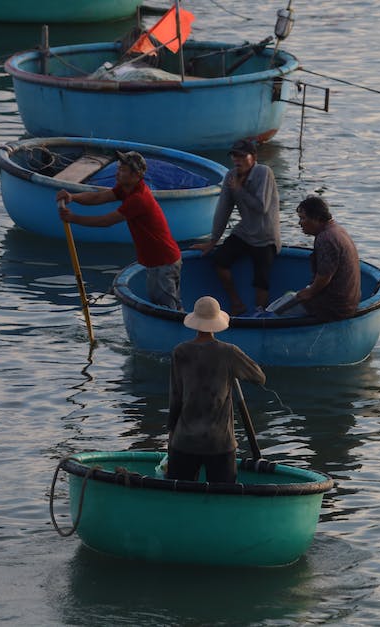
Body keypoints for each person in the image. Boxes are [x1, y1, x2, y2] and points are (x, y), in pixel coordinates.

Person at [56, 151, 183, 310]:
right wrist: (72, 197)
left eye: (122, 170)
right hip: (156, 261)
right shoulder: (126, 189)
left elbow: (106, 221)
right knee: (162, 304)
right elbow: (98, 198)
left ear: (136, 175)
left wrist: (74, 218)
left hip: (163, 261)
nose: (117, 173)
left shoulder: (138, 198)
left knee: (167, 309)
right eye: (118, 169)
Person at [166, 296, 266, 483]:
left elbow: (175, 397)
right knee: (224, 496)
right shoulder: (229, 352)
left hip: (184, 441)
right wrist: (233, 369)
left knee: (180, 496)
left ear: (195, 322)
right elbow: (259, 377)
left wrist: (171, 436)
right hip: (219, 443)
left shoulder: (180, 351)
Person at [192, 139, 280, 315]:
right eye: (234, 156)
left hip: (266, 236)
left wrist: (239, 190)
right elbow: (223, 210)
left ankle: (259, 313)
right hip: (244, 232)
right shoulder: (231, 177)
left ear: (253, 157)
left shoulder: (264, 173)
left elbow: (261, 207)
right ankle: (236, 302)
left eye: (242, 156)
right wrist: (213, 240)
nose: (237, 160)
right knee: (219, 261)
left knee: (261, 280)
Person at [281, 195, 361, 321]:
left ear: (317, 218)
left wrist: (310, 292)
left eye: (303, 218)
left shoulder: (325, 238)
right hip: (348, 302)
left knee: (279, 311)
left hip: (335, 307)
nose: (299, 223)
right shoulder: (337, 230)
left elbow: (325, 276)